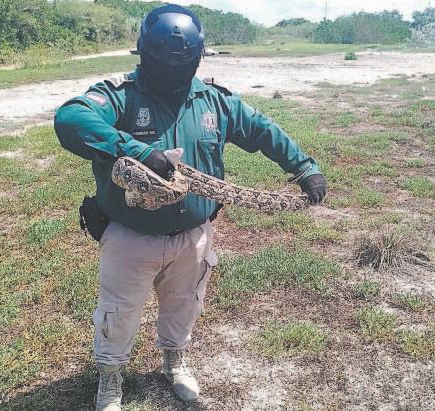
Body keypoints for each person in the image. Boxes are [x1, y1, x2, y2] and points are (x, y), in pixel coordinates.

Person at [54, 4, 327, 410]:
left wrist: (303, 167)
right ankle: (110, 377)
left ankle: (174, 361)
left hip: (194, 236)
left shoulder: (213, 100)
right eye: (164, 62)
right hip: (130, 234)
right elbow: (70, 118)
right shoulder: (121, 95)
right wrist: (138, 151)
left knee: (184, 304)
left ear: (198, 58)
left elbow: (261, 130)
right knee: (118, 313)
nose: (174, 70)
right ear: (144, 55)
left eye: (183, 63)